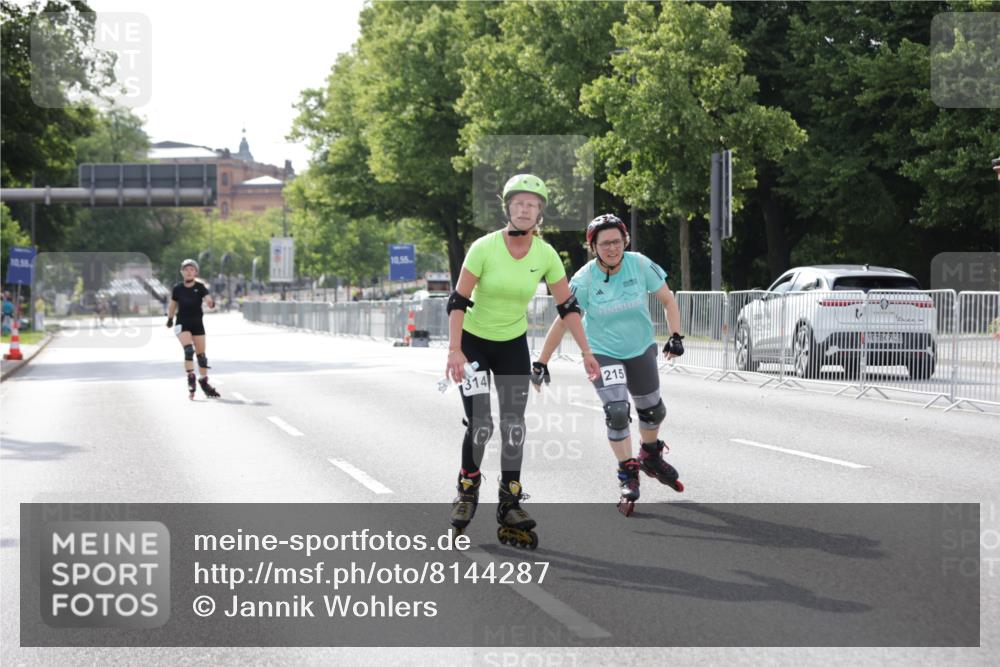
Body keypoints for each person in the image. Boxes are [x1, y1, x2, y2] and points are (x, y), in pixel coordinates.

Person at [446, 174, 599, 548]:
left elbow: (568, 306)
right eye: (519, 203)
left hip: (512, 344)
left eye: (532, 204)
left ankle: (509, 502)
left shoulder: (546, 254)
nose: (525, 209)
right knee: (481, 422)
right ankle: (467, 490)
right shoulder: (484, 247)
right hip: (475, 346)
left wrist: (586, 351)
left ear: (540, 213)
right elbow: (458, 301)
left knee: (513, 425)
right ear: (508, 209)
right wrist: (455, 350)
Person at [532, 214, 686, 516]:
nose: (612, 248)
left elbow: (667, 299)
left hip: (640, 347)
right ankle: (627, 472)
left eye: (617, 242)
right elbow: (564, 321)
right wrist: (541, 361)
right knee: (617, 412)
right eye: (605, 244)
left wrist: (676, 336)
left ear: (625, 241)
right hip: (602, 352)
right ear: (593, 247)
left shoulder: (639, 264)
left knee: (653, 410)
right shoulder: (584, 279)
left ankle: (650, 455)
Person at [166, 259, 221, 399]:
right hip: (182, 323)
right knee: (189, 350)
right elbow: (172, 305)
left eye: (192, 269)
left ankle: (203, 381)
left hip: (197, 324)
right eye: (186, 269)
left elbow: (208, 299)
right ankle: (190, 378)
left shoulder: (200, 287)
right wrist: (170, 318)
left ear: (196, 272)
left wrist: (210, 302)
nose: (189, 272)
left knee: (202, 357)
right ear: (182, 272)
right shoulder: (177, 288)